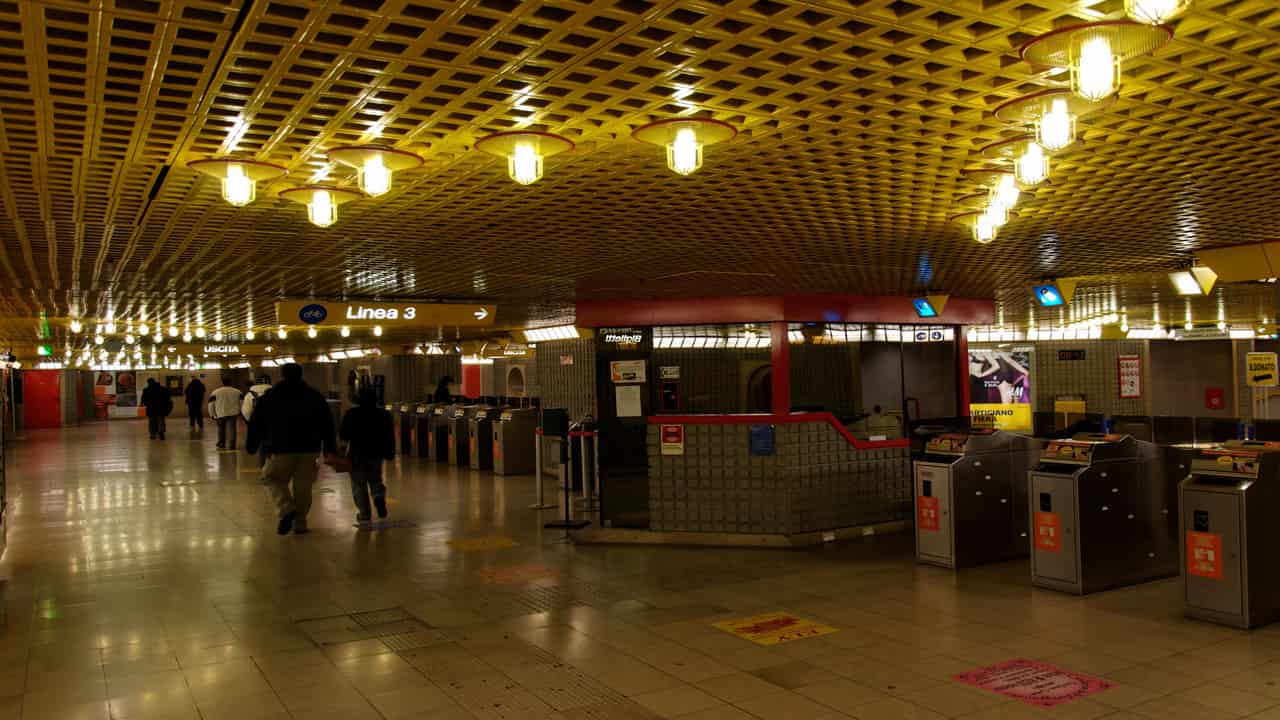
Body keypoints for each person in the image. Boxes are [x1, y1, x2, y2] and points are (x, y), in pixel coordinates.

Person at [246, 363, 336, 535]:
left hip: (280, 448)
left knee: (270, 478)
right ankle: (300, 523)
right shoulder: (314, 396)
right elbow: (327, 423)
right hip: (310, 448)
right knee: (303, 487)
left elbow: (257, 422)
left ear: (282, 375)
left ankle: (286, 508)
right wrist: (329, 448)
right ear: (301, 374)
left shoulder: (270, 396)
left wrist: (252, 445)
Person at [340, 387, 396, 525]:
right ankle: (378, 496)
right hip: (376, 453)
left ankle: (364, 513)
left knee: (358, 484)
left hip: (357, 453)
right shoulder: (383, 414)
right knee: (375, 478)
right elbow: (389, 435)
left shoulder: (352, 413)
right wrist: (390, 452)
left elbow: (344, 435)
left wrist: (341, 452)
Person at [242, 377, 273, 467]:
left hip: (257, 423)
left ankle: (262, 466)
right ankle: (272, 466)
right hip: (272, 424)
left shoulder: (250, 394)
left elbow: (246, 411)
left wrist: (250, 423)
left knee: (261, 445)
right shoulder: (276, 393)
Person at [208, 376, 243, 451]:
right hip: (233, 413)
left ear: (222, 383)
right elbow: (241, 402)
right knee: (232, 429)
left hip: (220, 413)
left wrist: (212, 414)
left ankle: (221, 443)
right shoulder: (237, 391)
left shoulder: (215, 392)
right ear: (230, 383)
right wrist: (240, 411)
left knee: (221, 429)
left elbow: (211, 404)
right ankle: (232, 445)